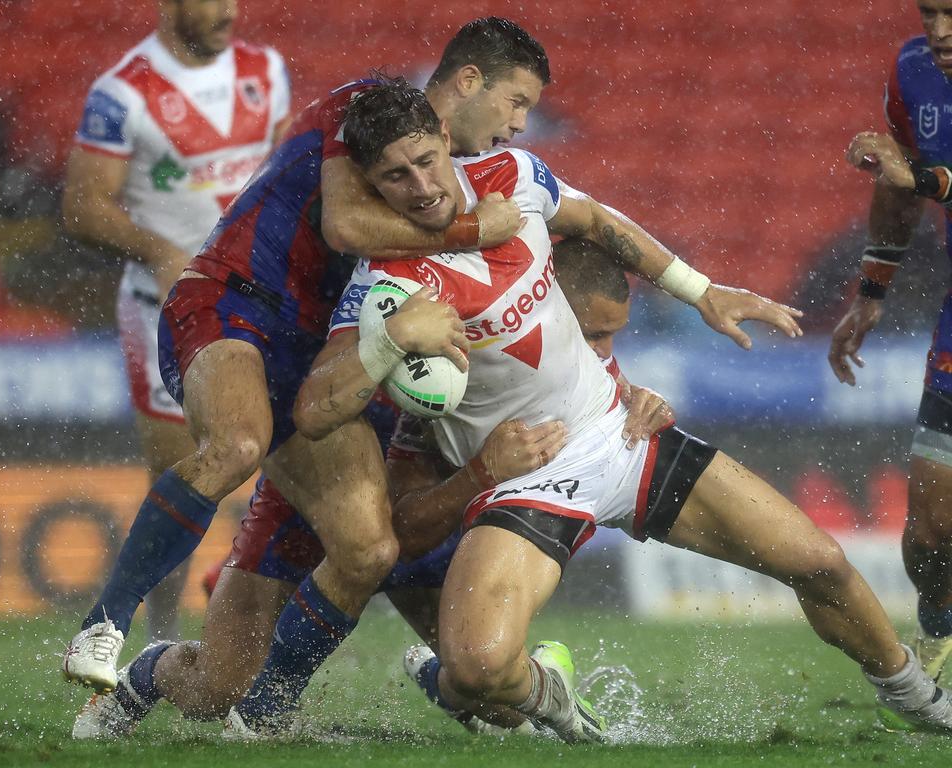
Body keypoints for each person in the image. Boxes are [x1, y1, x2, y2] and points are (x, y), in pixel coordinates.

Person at [62, 17, 803, 697]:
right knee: (239, 443)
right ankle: (107, 623)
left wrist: (681, 312)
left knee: (369, 549)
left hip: (340, 377)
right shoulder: (370, 115)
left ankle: (271, 706)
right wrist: (468, 235)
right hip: (241, 305)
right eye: (515, 102)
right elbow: (349, 227)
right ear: (469, 83)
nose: (519, 123)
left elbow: (577, 262)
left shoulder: (495, 179)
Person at [297, 80, 952, 742]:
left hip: (622, 435)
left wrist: (700, 292)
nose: (420, 186)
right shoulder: (387, 287)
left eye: (424, 161)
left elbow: (598, 222)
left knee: (819, 562)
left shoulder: (513, 176)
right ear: (373, 187)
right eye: (394, 177)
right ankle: (549, 693)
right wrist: (394, 340)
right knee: (476, 668)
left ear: (444, 140)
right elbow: (316, 410)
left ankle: (915, 696)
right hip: (529, 480)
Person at [70, 235, 675, 739]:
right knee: (215, 689)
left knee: (493, 696)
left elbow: (600, 396)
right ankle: (150, 674)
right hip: (315, 504)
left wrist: (638, 402)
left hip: (420, 522)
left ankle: (470, 672)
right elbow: (316, 397)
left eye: (608, 339)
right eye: (594, 333)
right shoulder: (428, 300)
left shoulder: (560, 363)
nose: (602, 351)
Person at [62, 0, 291, 642]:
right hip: (167, 314)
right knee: (188, 472)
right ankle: (158, 635)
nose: (228, 12)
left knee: (299, 454)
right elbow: (81, 207)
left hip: (264, 303)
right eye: (211, 0)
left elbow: (286, 178)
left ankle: (260, 626)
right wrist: (160, 250)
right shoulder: (122, 94)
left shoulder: (265, 71)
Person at [834, 0, 952, 686]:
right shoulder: (912, 70)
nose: (938, 31)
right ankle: (938, 631)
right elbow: (903, 189)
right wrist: (872, 293)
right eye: (928, 10)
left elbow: (925, 181)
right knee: (933, 536)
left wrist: (927, 177)